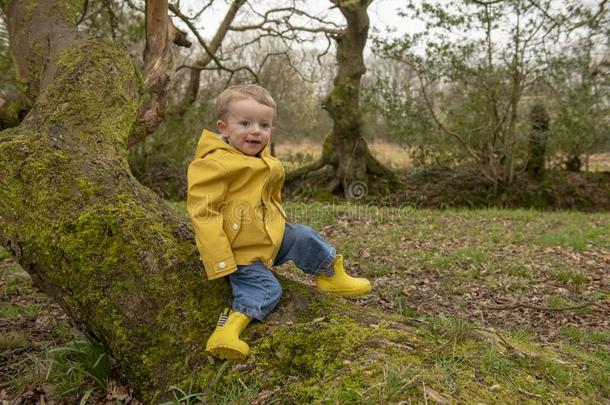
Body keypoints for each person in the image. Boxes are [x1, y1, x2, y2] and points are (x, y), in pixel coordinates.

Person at [187, 84, 371, 360]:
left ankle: (331, 276)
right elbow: (204, 213)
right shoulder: (214, 164)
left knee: (305, 237)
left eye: (264, 124)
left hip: (269, 236)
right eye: (245, 123)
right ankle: (228, 330)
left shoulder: (264, 160)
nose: (256, 131)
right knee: (266, 289)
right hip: (241, 252)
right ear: (223, 128)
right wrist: (221, 260)